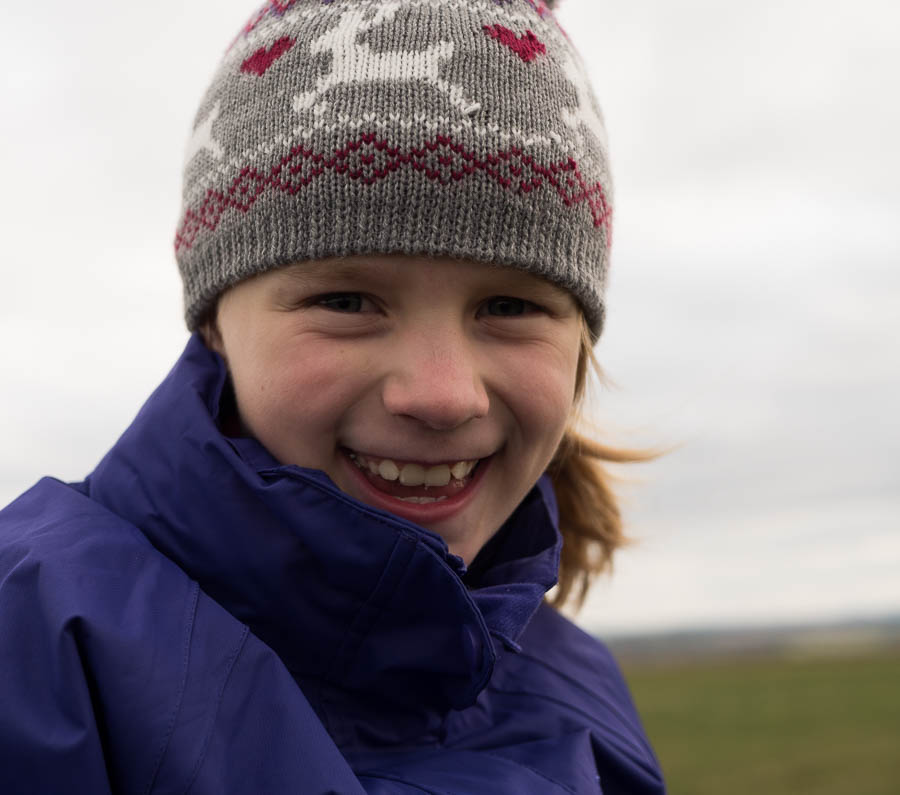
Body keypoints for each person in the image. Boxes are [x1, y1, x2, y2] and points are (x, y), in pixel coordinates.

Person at [0, 0, 666, 792]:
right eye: (347, 301)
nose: (442, 395)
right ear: (214, 322)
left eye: (511, 307)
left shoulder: (580, 688)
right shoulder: (36, 645)